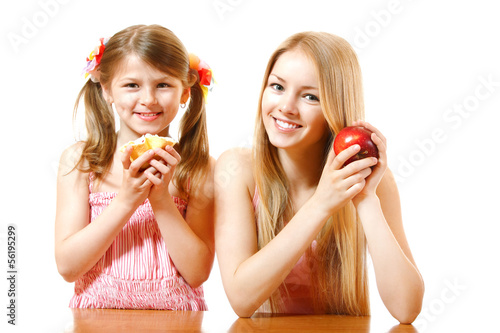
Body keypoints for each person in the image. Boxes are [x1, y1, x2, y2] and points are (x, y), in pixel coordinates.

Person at [214, 31, 424, 323]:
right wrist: (321, 204)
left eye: (310, 96)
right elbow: (241, 299)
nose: (286, 106)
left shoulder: (371, 181)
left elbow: (407, 309)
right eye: (277, 87)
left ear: (334, 110)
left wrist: (365, 199)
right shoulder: (237, 169)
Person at [55, 24, 215, 310]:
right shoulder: (81, 162)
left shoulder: (198, 168)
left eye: (163, 84)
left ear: (185, 93)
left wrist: (161, 199)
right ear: (107, 90)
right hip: (96, 322)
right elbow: (68, 267)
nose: (148, 99)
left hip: (177, 323)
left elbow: (197, 272)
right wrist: (127, 199)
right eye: (132, 85)